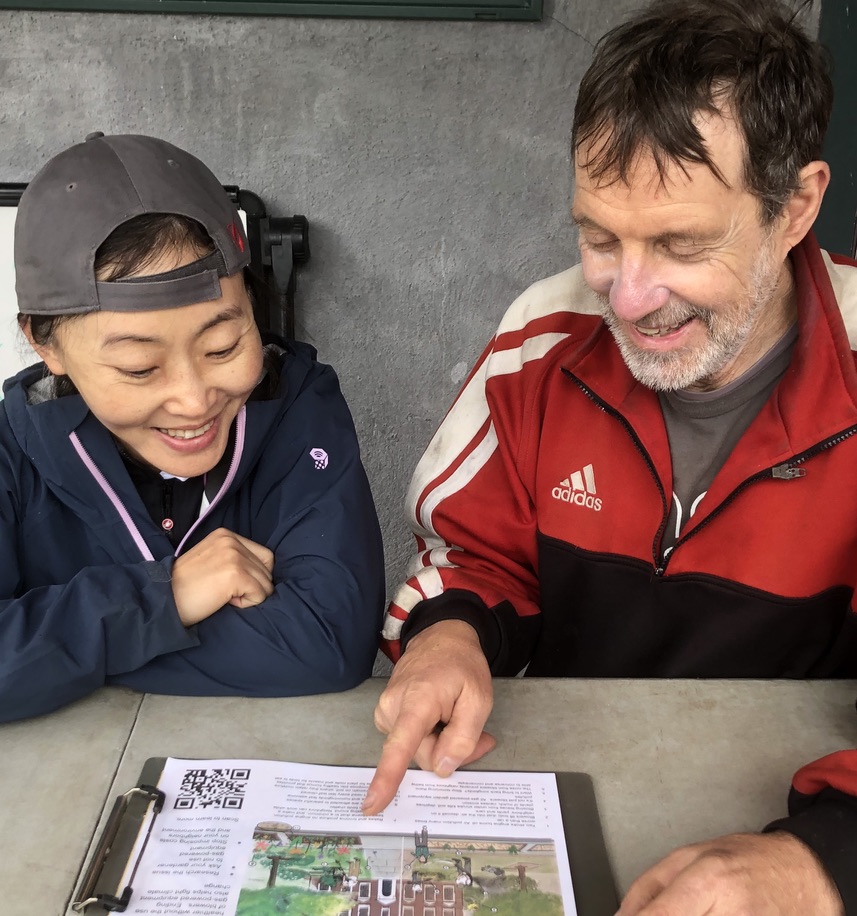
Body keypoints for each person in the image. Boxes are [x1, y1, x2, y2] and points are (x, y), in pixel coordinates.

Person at [364, 1, 857, 913]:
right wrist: (450, 635)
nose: (627, 298)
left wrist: (827, 859)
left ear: (795, 207)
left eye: (679, 244)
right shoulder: (540, 339)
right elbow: (469, 553)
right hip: (557, 793)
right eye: (599, 236)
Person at [0, 132, 385, 722]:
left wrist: (47, 660)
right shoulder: (12, 450)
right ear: (44, 342)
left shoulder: (294, 403)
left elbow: (329, 643)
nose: (193, 400)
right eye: (140, 367)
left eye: (223, 346)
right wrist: (160, 602)